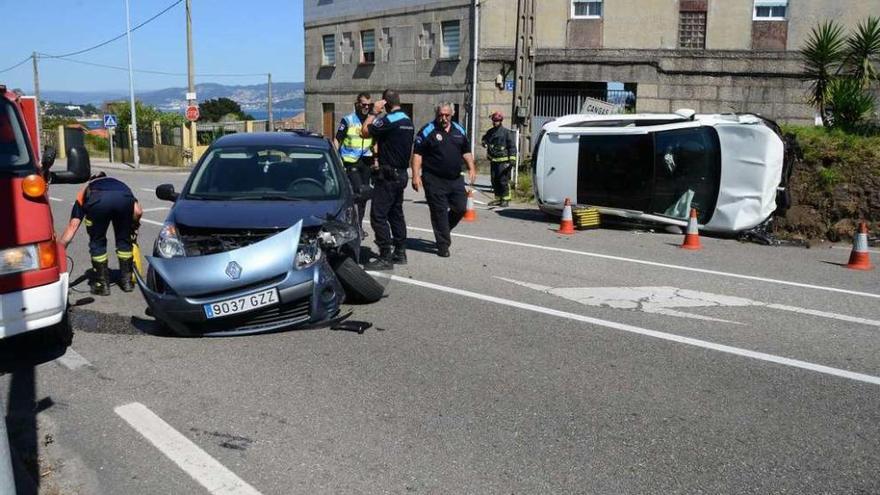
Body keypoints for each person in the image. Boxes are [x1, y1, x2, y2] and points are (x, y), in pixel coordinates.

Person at [60, 172, 143, 296]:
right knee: (124, 241)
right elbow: (138, 211)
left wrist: (58, 250)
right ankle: (127, 282)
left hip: (98, 201)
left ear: (92, 180)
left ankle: (102, 284)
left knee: (97, 242)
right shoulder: (121, 185)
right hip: (124, 199)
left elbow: (73, 226)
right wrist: (133, 226)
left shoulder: (87, 188)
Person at [411, 102, 477, 258]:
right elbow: (417, 154)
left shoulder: (459, 130)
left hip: (455, 179)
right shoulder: (428, 130)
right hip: (433, 179)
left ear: (452, 114)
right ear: (437, 114)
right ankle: (443, 245)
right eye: (440, 115)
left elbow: (466, 151)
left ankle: (443, 230)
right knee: (439, 212)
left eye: (447, 115)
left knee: (461, 208)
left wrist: (472, 168)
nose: (443, 118)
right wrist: (415, 175)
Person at [359, 89, 414, 269]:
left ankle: (385, 255)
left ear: (385, 103)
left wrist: (374, 112)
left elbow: (365, 131)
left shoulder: (389, 120)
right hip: (401, 174)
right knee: (396, 214)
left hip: (388, 174)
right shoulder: (408, 121)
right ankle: (400, 252)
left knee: (378, 215)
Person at [333, 92, 375, 237]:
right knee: (359, 192)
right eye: (363, 105)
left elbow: (375, 142)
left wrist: (376, 159)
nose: (366, 107)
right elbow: (337, 139)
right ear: (357, 104)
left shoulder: (372, 120)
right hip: (351, 161)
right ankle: (353, 225)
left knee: (364, 196)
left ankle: (359, 225)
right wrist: (336, 159)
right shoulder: (348, 120)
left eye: (369, 105)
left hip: (366, 161)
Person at [481, 111, 517, 207]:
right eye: (494, 120)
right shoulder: (490, 132)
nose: (494, 122)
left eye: (496, 121)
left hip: (503, 161)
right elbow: (485, 138)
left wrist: (512, 159)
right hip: (494, 160)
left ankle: (505, 199)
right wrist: (484, 142)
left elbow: (512, 147)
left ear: (500, 121)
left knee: (503, 180)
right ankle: (498, 198)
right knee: (494, 180)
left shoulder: (506, 132)